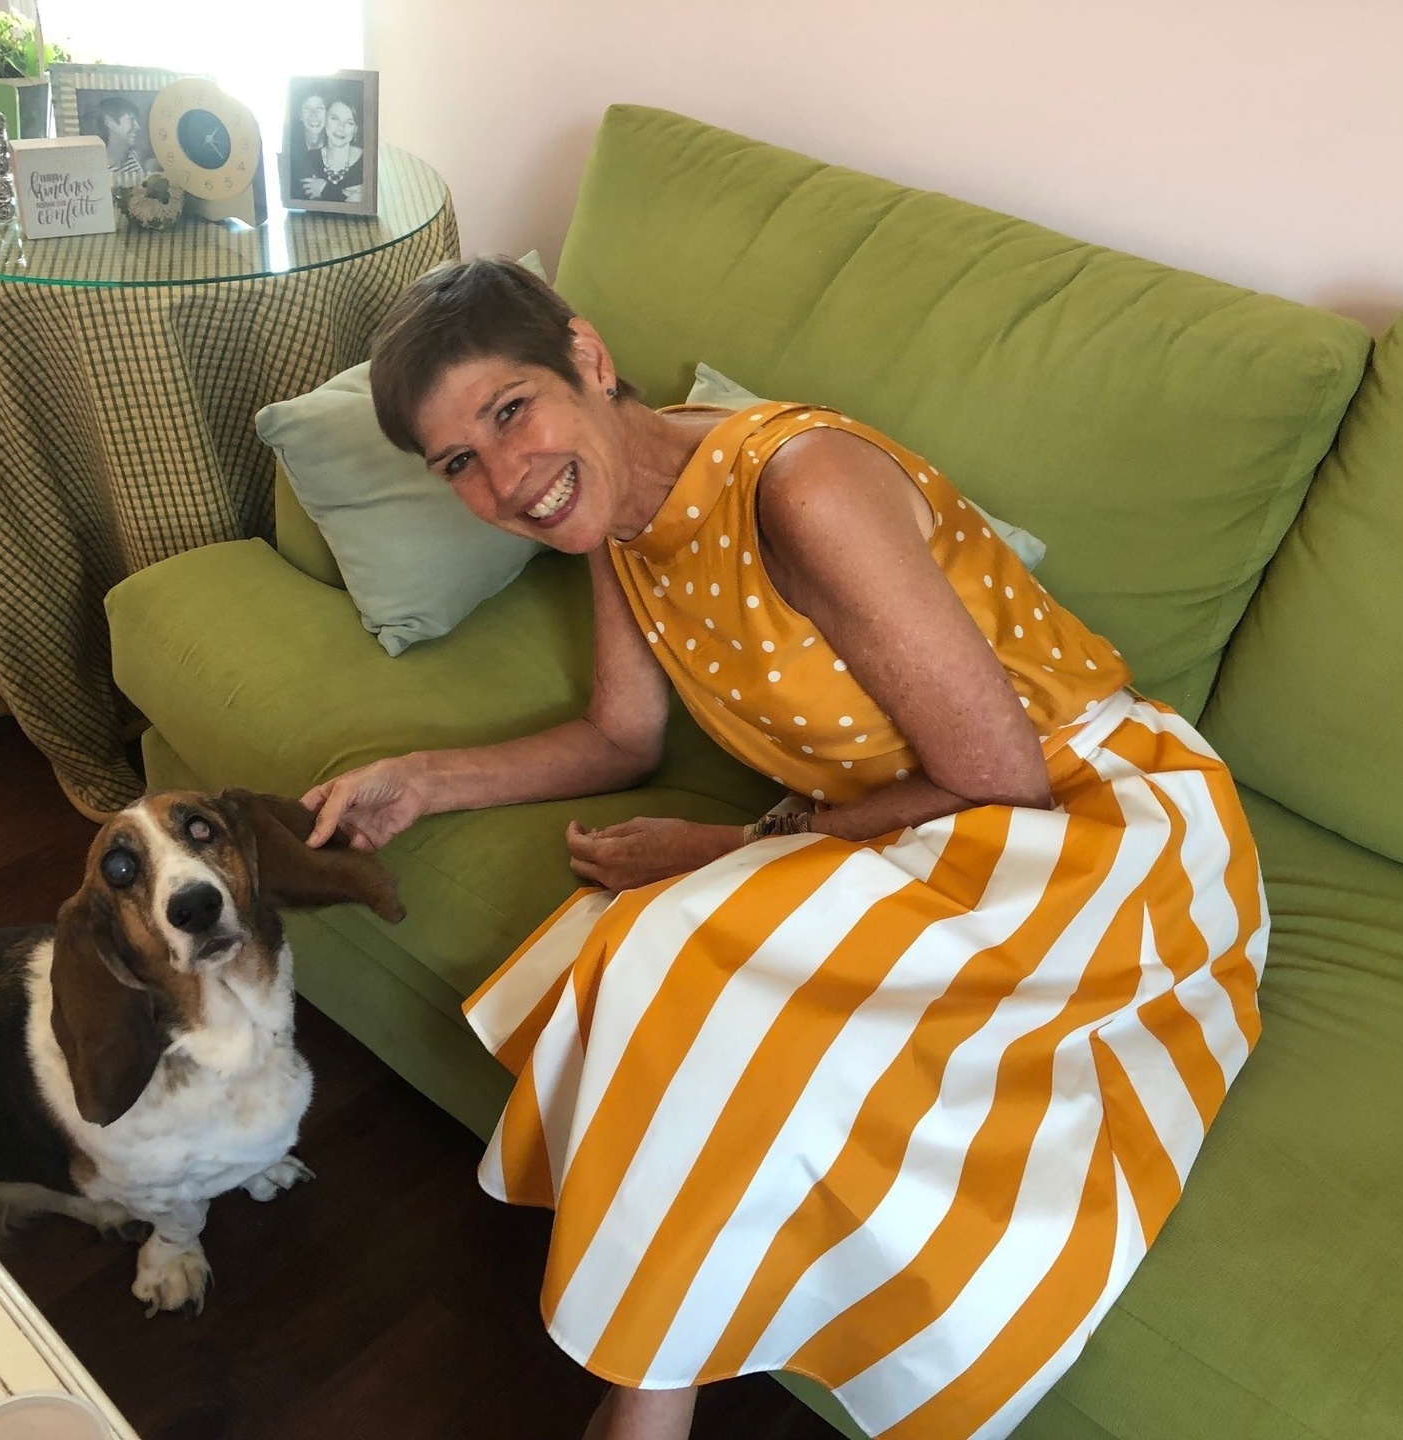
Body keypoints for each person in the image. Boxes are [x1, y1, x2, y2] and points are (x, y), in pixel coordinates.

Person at [305, 258, 1267, 1440]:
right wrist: (419, 780)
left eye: (512, 410)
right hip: (925, 819)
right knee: (675, 962)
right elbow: (621, 736)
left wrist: (734, 845)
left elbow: (1001, 779)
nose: (505, 479)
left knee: (681, 951)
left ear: (589, 359)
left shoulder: (799, 488)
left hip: (1084, 819)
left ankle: (644, 1409)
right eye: (458, 460)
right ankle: (653, 1400)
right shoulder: (616, 516)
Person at [298, 97, 364, 203]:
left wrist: (324, 189)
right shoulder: (310, 159)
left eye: (349, 123)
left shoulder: (367, 162)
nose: (341, 128)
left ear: (356, 129)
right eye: (334, 119)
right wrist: (346, 197)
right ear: (325, 120)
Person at [94, 95, 150, 185]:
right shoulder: (97, 170)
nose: (137, 127)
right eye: (131, 120)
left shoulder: (135, 156)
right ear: (109, 122)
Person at [287, 90, 327, 193]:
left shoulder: (339, 145)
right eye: (307, 108)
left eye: (320, 108)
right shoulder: (289, 150)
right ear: (300, 115)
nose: (313, 115)